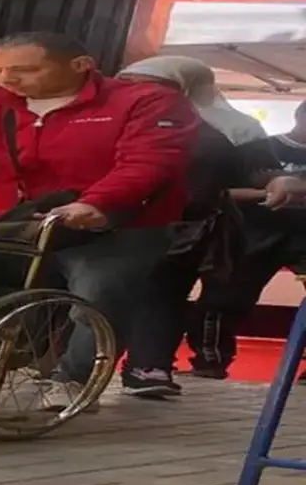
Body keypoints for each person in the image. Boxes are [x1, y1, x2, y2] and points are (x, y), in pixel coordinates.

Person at [0, 31, 198, 409]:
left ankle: (74, 379)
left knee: (98, 296)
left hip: (115, 224)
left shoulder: (145, 101)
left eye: (24, 70)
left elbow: (150, 161)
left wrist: (97, 202)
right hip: (16, 221)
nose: (7, 79)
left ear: (81, 65)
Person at [111, 57, 278, 397]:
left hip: (190, 226)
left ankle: (148, 366)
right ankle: (75, 367)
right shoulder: (114, 115)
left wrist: (277, 182)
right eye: (127, 81)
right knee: (106, 289)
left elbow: (259, 172)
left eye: (149, 82)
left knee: (165, 291)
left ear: (185, 85)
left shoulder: (234, 127)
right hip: (115, 217)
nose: (134, 89)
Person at [188, 100, 306, 379]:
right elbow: (220, 191)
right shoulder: (259, 149)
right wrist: (270, 193)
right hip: (252, 235)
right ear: (300, 116)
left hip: (302, 237)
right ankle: (210, 361)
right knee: (222, 299)